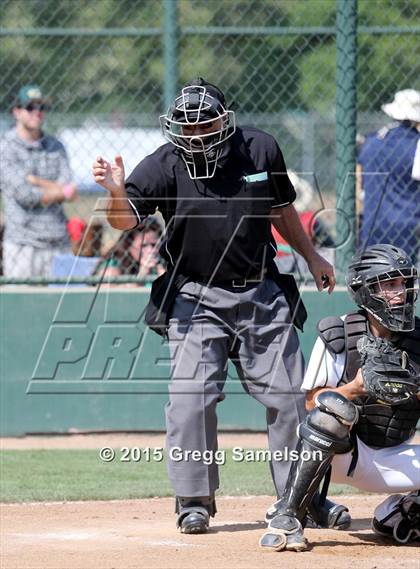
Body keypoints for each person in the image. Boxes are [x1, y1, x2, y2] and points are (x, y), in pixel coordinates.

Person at [92, 77, 337, 534]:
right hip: (194, 296)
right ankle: (193, 501)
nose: (197, 134)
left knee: (289, 400)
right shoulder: (165, 163)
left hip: (260, 292)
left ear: (225, 121)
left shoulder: (259, 149)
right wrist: (115, 191)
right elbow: (125, 219)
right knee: (190, 399)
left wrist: (312, 255)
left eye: (205, 124)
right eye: (187, 128)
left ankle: (300, 498)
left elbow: (281, 210)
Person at [260, 244, 419, 552]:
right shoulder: (340, 332)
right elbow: (311, 403)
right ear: (365, 289)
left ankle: (396, 515)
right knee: (332, 409)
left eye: (403, 282)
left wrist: (414, 388)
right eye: (389, 284)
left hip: (395, 455)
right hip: (344, 456)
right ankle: (289, 515)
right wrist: (356, 388)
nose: (400, 292)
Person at [0, 85, 77, 278]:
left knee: (62, 305)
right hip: (23, 243)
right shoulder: (7, 147)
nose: (37, 112)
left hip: (58, 240)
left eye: (41, 107)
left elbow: (71, 189)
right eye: (30, 107)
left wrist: (34, 180)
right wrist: (60, 191)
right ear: (16, 111)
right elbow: (25, 195)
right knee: (21, 305)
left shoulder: (55, 145)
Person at [358, 89, 420, 264]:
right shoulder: (416, 143)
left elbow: (359, 178)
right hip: (407, 228)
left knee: (375, 280)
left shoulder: (372, 141)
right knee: (403, 282)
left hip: (372, 225)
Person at [93, 220, 165, 285]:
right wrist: (142, 275)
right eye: (144, 245)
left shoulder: (163, 262)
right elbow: (112, 296)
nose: (151, 250)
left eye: (154, 245)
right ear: (128, 245)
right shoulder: (113, 265)